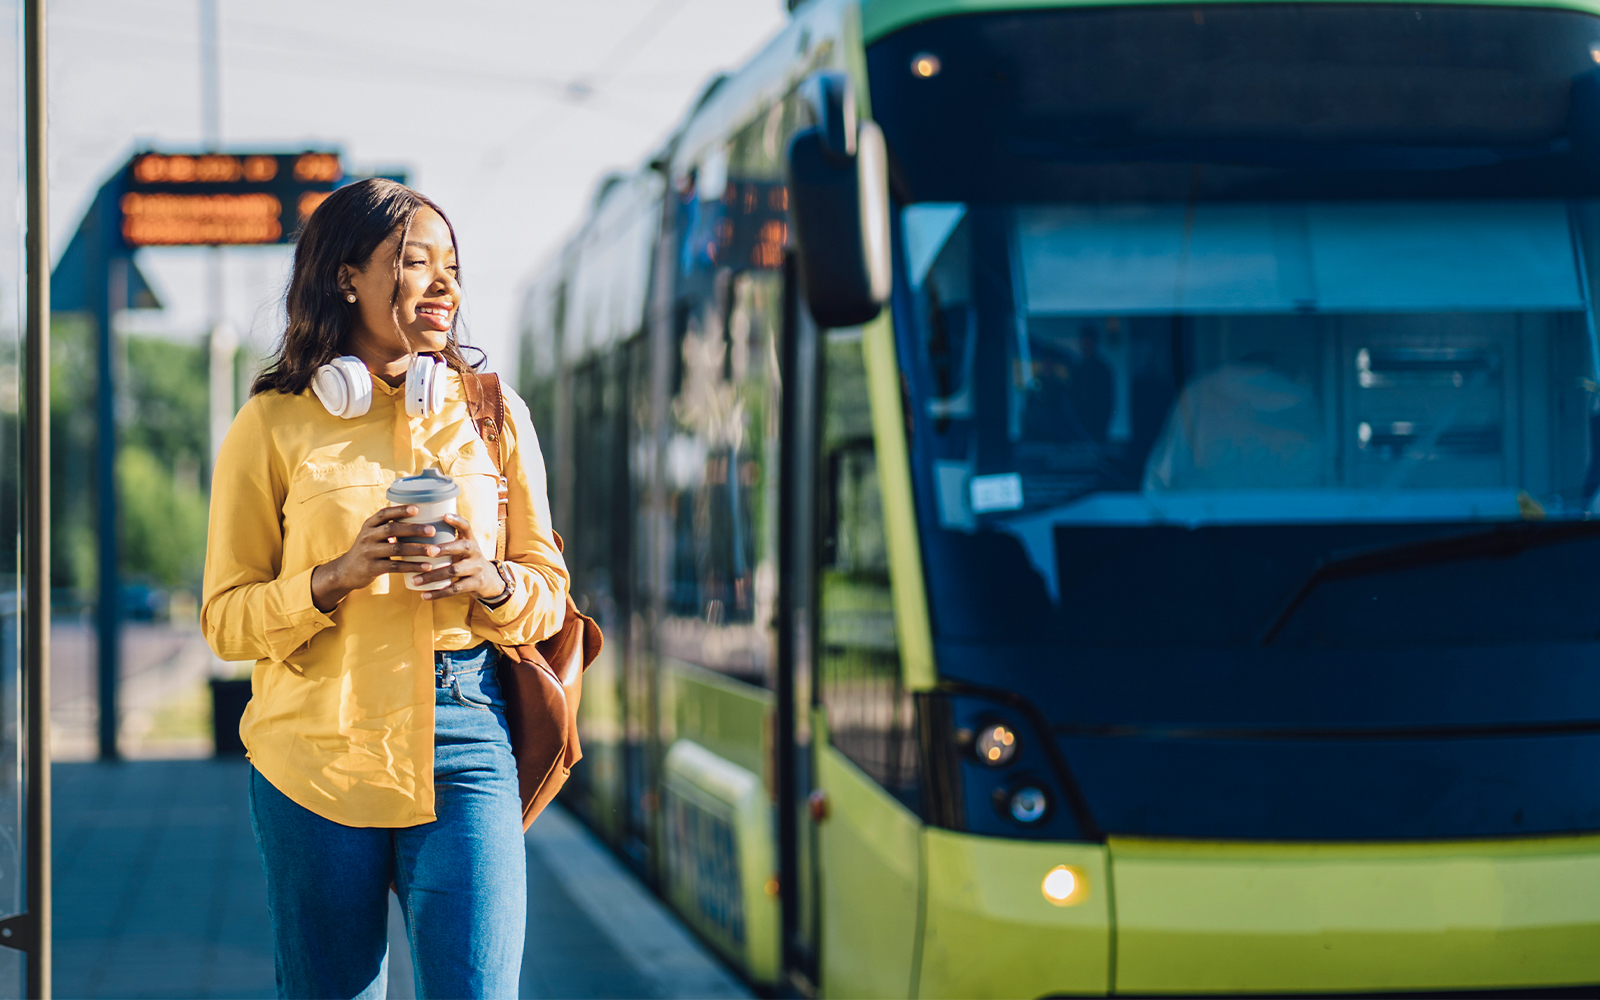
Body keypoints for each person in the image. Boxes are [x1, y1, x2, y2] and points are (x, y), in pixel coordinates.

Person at [201, 179, 569, 1000]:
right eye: (415, 262)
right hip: (315, 751)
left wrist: (491, 580)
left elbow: (548, 590)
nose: (446, 286)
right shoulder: (273, 423)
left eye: (453, 266)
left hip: (466, 732)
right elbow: (225, 620)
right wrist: (335, 578)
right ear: (347, 278)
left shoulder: (493, 414)